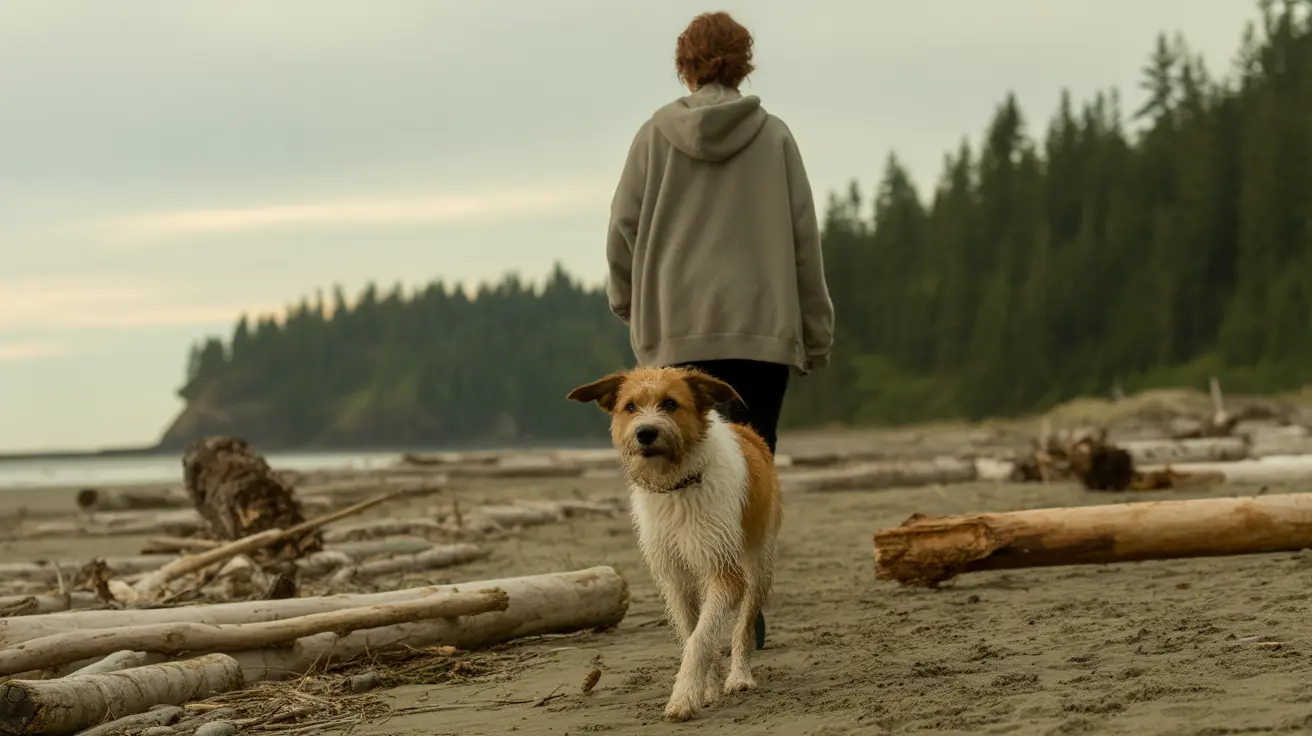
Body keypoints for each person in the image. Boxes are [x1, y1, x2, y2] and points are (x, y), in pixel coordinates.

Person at [604, 11, 835, 458]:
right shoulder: (775, 137)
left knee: (678, 471)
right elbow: (804, 241)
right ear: (743, 67)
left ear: (684, 67)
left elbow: (621, 227)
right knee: (751, 469)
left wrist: (626, 301)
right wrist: (817, 335)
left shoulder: (653, 136)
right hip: (761, 330)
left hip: (673, 329)